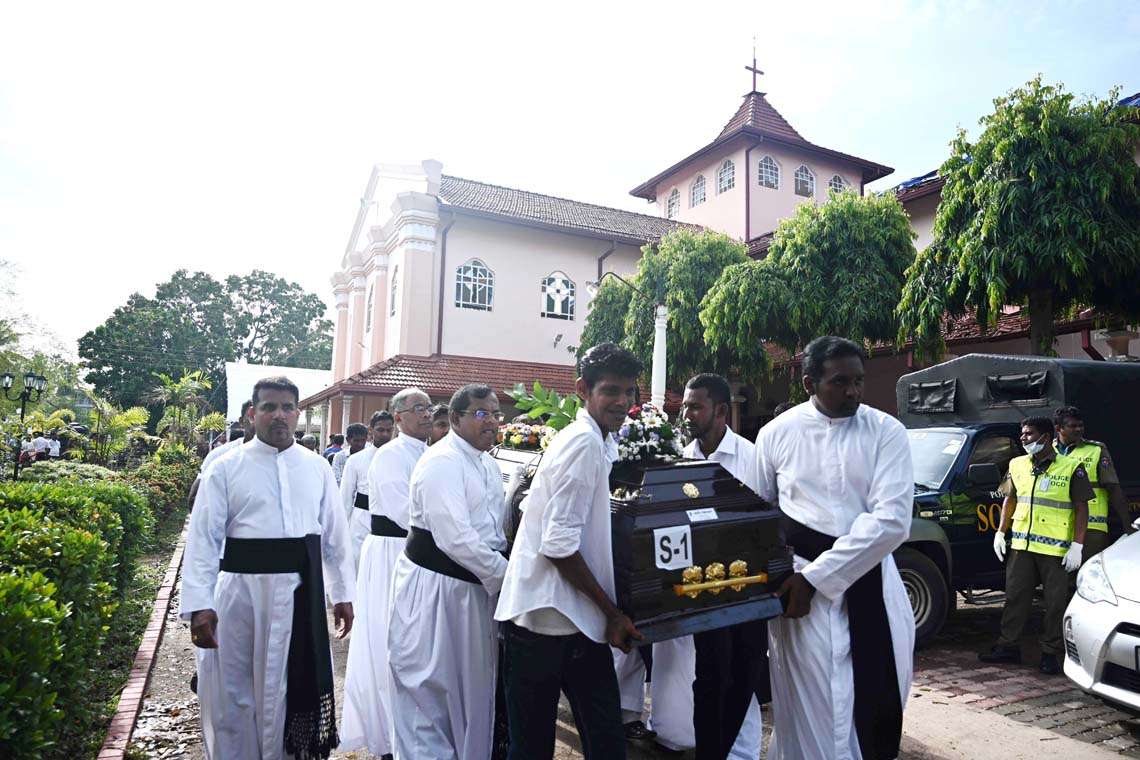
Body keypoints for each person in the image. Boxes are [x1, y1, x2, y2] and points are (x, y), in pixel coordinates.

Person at [753, 336, 915, 760]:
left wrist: (818, 577)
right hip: (798, 596)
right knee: (810, 708)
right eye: (840, 382)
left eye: (859, 381)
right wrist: (789, 578)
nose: (854, 392)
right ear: (809, 382)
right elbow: (759, 514)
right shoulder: (776, 434)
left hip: (871, 581)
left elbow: (892, 521)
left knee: (874, 701)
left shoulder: (886, 432)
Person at [180, 376, 355, 760]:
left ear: (298, 414)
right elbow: (204, 540)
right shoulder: (225, 469)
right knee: (234, 691)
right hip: (239, 594)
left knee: (290, 689)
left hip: (299, 596)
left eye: (287, 407)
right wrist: (199, 606)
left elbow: (335, 538)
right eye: (269, 407)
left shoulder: (316, 467)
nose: (279, 415)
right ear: (251, 415)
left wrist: (342, 594)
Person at [495, 343, 644, 760]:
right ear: (583, 389)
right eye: (611, 391)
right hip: (545, 622)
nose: (622, 402)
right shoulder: (582, 444)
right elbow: (558, 546)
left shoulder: (591, 438)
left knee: (603, 738)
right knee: (538, 747)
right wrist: (613, 612)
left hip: (573, 617)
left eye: (629, 392)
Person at [645, 373, 763, 760]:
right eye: (685, 406)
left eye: (696, 406)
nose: (687, 414)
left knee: (742, 677)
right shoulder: (680, 457)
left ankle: (742, 753)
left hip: (745, 590)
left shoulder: (751, 458)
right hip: (697, 590)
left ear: (722, 411)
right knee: (708, 678)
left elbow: (765, 521)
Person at [387, 384, 508, 759]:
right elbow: (455, 538)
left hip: (474, 589)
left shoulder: (487, 462)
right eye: (481, 413)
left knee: (471, 690)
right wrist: (509, 577)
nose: (491, 422)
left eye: (495, 414)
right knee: (430, 687)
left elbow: (493, 529)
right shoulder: (442, 461)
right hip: (437, 590)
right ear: (455, 418)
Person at [340, 388, 432, 758]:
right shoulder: (390, 456)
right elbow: (404, 512)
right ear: (398, 418)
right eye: (418, 409)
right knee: (386, 642)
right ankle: (387, 736)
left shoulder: (428, 453)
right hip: (393, 552)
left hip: (418, 553)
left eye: (428, 408)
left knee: (414, 644)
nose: (426, 414)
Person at [980, 416, 1092, 675]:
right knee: (1015, 597)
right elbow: (1010, 498)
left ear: (1045, 437)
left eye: (1028, 434)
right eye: (1022, 434)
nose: (1023, 438)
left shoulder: (1071, 467)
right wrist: (1000, 532)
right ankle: (1008, 646)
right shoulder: (1017, 464)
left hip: (1055, 550)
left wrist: (1078, 545)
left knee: (1054, 603)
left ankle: (1051, 652)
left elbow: (1081, 508)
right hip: (1021, 546)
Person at [1053, 405, 1136, 561]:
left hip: (1092, 527)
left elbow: (1113, 488)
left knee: (1089, 574)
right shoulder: (1049, 451)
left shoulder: (1096, 450)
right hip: (1057, 527)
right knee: (1061, 579)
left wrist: (1126, 525)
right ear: (1059, 428)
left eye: (1080, 425)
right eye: (1073, 426)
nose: (1078, 429)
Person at [339, 411, 396, 571]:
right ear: (371, 431)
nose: (385, 434)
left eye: (389, 430)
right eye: (380, 430)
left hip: (391, 522)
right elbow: (345, 497)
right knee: (359, 564)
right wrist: (342, 529)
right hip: (361, 521)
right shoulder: (356, 460)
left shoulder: (400, 458)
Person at [187, 401, 255, 509]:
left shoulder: (284, 459)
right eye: (252, 416)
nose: (258, 422)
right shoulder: (219, 455)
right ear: (241, 421)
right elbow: (194, 500)